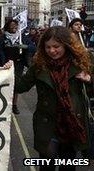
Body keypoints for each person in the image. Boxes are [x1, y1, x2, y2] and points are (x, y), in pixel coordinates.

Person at [15, 26, 92, 171]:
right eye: (47, 47)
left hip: (72, 124)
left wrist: (89, 79)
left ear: (67, 45)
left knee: (67, 165)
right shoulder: (39, 66)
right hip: (47, 124)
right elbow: (20, 86)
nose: (51, 51)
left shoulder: (80, 64)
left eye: (56, 47)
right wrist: (8, 72)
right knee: (46, 164)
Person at [3, 19, 28, 114]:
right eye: (12, 25)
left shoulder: (21, 37)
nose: (14, 27)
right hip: (6, 64)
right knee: (6, 85)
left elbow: (32, 47)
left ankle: (14, 105)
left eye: (16, 25)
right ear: (8, 26)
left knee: (16, 85)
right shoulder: (3, 37)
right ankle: (5, 104)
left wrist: (25, 46)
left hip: (18, 64)